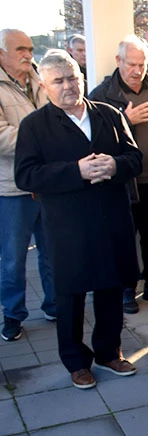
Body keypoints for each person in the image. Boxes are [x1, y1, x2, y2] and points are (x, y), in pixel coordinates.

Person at [14, 51, 141, 389]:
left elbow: (135, 158)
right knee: (69, 295)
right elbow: (26, 176)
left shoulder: (109, 114)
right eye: (59, 81)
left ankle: (109, 352)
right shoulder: (34, 126)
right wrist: (76, 171)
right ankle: (76, 361)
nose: (69, 86)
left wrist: (116, 166)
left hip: (111, 219)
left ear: (82, 77)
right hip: (68, 226)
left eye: (73, 77)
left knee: (111, 289)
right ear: (44, 86)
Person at [89, 35, 148, 314]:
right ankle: (127, 289)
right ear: (118, 61)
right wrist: (125, 121)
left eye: (142, 64)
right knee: (124, 237)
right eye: (131, 64)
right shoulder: (100, 95)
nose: (137, 71)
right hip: (123, 183)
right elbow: (93, 140)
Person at [0, 29, 56, 342]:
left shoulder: (39, 80)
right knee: (12, 258)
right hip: (11, 189)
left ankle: (53, 305)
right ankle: (12, 314)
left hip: (45, 185)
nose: (28, 54)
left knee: (51, 251)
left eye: (31, 48)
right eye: (20, 48)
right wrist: (41, 142)